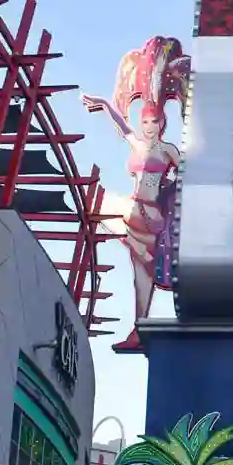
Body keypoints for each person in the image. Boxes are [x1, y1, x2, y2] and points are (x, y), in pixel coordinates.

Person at [82, 77, 183, 353]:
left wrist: (168, 188)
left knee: (100, 204)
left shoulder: (168, 150)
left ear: (162, 123)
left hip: (150, 214)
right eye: (145, 121)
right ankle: (139, 328)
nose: (149, 126)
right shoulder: (137, 145)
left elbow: (188, 172)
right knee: (140, 274)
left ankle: (140, 327)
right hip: (134, 209)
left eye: (154, 121)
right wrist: (104, 103)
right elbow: (121, 124)